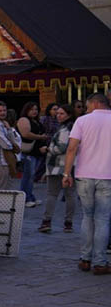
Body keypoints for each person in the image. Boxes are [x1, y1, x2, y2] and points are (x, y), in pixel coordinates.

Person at [62, 93, 111, 275]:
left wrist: (67, 173)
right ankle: (100, 261)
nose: (87, 109)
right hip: (107, 176)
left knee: (87, 216)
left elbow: (71, 148)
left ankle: (85, 259)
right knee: (103, 219)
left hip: (84, 175)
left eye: (88, 105)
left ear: (96, 103)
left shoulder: (82, 121)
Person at [39, 105, 76, 233]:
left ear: (69, 115)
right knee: (70, 195)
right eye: (58, 113)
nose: (58, 115)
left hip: (57, 167)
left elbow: (61, 148)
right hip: (70, 166)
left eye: (62, 113)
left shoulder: (66, 129)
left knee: (52, 194)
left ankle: (47, 221)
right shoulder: (71, 127)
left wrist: (47, 149)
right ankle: (68, 223)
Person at [16, 102, 47, 207]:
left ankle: (30, 196)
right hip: (27, 152)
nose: (34, 111)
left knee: (31, 175)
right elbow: (25, 134)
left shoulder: (36, 121)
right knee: (28, 175)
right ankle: (24, 199)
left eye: (36, 109)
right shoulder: (24, 120)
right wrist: (40, 137)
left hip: (35, 152)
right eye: (32, 109)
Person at [0, 101, 21, 190]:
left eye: (4, 110)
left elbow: (13, 141)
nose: (3, 113)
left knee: (8, 190)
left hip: (6, 162)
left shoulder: (3, 124)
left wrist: (9, 129)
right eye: (0, 111)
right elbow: (6, 145)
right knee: (1, 191)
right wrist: (15, 147)